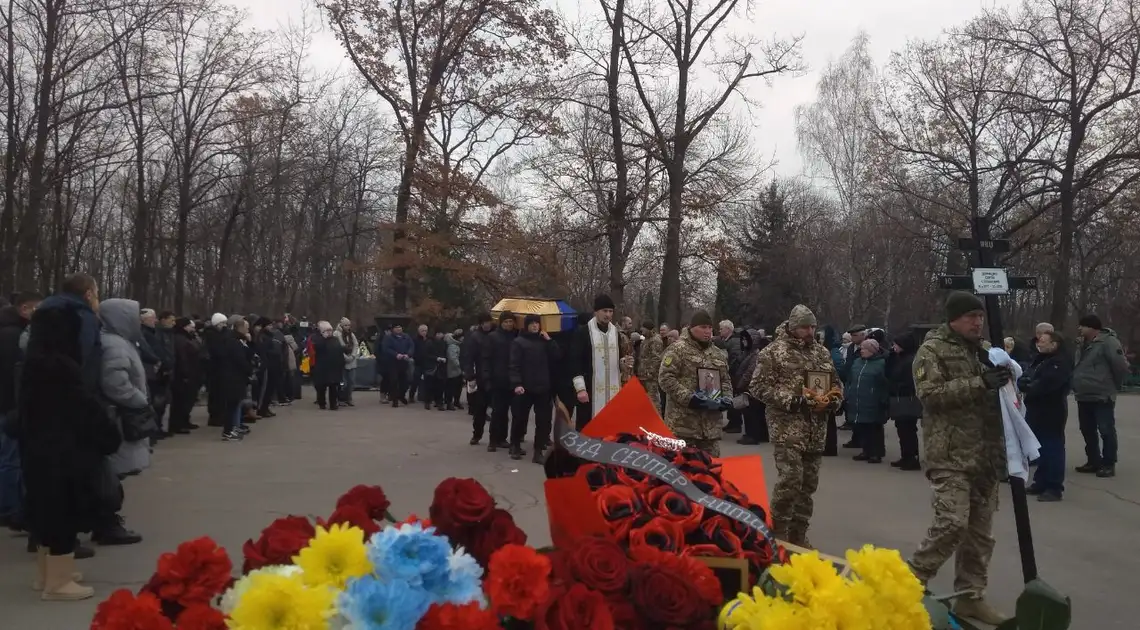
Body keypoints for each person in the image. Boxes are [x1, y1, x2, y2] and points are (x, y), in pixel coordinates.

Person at [909, 291, 1009, 625]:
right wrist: (979, 383)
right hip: (949, 454)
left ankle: (970, 596)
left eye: (979, 317)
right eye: (970, 317)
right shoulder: (931, 351)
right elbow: (930, 395)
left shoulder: (986, 351)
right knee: (952, 523)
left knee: (981, 534)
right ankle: (910, 582)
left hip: (985, 455)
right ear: (953, 319)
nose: (977, 323)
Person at [17, 274, 116, 600]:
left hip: (38, 437)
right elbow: (82, 392)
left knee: (44, 502)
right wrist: (104, 428)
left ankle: (48, 573)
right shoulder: (64, 365)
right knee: (64, 502)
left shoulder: (34, 362)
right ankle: (58, 583)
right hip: (64, 439)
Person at [749, 305, 840, 547]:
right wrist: (793, 401)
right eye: (804, 327)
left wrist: (832, 400)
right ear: (792, 326)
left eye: (812, 326)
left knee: (808, 484)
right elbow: (757, 387)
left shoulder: (821, 353)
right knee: (790, 480)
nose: (809, 331)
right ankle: (778, 534)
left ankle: (798, 535)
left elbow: (835, 384)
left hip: (816, 429)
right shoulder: (773, 352)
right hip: (787, 428)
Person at [659, 311, 732, 456]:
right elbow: (665, 378)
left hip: (710, 429)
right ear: (692, 328)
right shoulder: (677, 349)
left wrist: (727, 398)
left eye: (710, 328)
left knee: (710, 472)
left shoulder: (717, 353)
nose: (708, 331)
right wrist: (689, 398)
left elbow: (725, 380)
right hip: (683, 426)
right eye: (703, 327)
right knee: (682, 471)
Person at [0, 291, 41, 531]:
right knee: (10, 460)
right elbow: (12, 376)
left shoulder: (9, 330)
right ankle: (11, 509)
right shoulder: (12, 335)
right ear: (25, 309)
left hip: (7, 404)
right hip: (8, 405)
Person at [1072, 314, 1129, 478]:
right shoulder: (1081, 344)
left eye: (1082, 326)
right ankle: (1093, 460)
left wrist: (1112, 385)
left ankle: (1109, 463)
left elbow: (1120, 365)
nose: (1079, 329)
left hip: (1102, 394)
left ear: (1092, 327)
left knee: (1106, 429)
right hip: (1083, 394)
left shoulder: (1108, 342)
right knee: (1087, 429)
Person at [1018, 329, 1072, 502]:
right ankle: (1040, 482)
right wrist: (1023, 382)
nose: (1038, 343)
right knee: (1040, 448)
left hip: (1051, 410)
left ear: (1054, 344)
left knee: (1052, 447)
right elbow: (1027, 375)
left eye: (1042, 340)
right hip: (1036, 409)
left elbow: (1048, 384)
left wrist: (1030, 386)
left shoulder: (1060, 362)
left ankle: (1054, 487)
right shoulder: (1040, 359)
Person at [567, 295, 633, 431]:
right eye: (604, 311)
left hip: (612, 390)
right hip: (590, 390)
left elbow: (618, 359)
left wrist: (624, 363)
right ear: (596, 312)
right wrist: (580, 389)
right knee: (587, 428)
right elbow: (574, 362)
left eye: (610, 311)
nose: (608, 315)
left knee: (611, 428)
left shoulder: (615, 332)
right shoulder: (583, 332)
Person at [509, 314, 561, 462]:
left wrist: (550, 340)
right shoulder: (518, 342)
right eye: (531, 324)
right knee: (520, 418)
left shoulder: (544, 341)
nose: (535, 326)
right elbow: (514, 365)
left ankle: (538, 451)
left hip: (543, 386)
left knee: (543, 420)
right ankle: (515, 444)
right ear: (526, 326)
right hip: (524, 387)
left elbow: (557, 356)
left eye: (537, 324)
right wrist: (517, 383)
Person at [846, 338, 889, 464]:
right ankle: (866, 451)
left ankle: (876, 453)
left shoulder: (881, 363)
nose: (861, 351)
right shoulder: (857, 362)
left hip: (873, 400)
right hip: (858, 399)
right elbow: (850, 379)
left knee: (874, 428)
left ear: (872, 351)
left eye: (865, 349)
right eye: (861, 348)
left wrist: (883, 399)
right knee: (862, 427)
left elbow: (885, 383)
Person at [213, 317, 253, 441]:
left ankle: (231, 428)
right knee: (231, 405)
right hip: (232, 377)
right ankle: (227, 431)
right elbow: (239, 359)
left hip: (234, 376)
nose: (247, 331)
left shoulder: (235, 340)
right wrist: (249, 369)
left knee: (234, 404)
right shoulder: (233, 341)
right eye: (246, 328)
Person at [483, 312, 518, 453]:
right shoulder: (492, 337)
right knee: (498, 412)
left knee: (509, 413)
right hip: (498, 379)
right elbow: (486, 359)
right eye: (506, 321)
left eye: (511, 321)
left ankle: (503, 438)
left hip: (513, 380)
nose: (509, 324)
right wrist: (487, 378)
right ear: (501, 322)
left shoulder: (516, 336)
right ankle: (493, 440)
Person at [886, 332, 922, 470]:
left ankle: (912, 457)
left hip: (908, 398)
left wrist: (897, 385)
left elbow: (909, 381)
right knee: (902, 429)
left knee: (908, 430)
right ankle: (906, 456)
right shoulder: (898, 358)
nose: (893, 347)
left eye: (896, 344)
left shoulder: (910, 361)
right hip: (900, 398)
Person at [463, 313, 495, 443]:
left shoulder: (495, 335)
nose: (487, 325)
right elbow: (469, 357)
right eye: (484, 322)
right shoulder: (475, 337)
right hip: (480, 375)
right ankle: (477, 434)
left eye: (489, 322)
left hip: (495, 375)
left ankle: (496, 437)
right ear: (481, 324)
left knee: (498, 409)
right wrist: (470, 374)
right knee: (480, 409)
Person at [168, 317, 202, 434]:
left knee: (188, 400)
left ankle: (184, 421)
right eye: (190, 326)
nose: (192, 328)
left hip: (191, 371)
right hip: (183, 374)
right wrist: (185, 373)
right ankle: (177, 424)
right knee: (181, 401)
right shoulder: (180, 339)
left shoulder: (187, 337)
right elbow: (182, 358)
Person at [312, 321, 346, 410]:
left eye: (330, 330)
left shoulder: (335, 339)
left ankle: (333, 404)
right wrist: (323, 338)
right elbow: (317, 349)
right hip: (322, 367)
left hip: (334, 367)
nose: (329, 332)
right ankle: (322, 403)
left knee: (333, 387)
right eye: (327, 330)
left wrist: (341, 363)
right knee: (321, 387)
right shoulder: (318, 339)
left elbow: (339, 351)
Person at [381, 324, 414, 407]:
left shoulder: (406, 337)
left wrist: (408, 354)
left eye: (400, 327)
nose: (399, 329)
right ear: (393, 329)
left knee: (405, 382)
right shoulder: (388, 338)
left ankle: (401, 395)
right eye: (396, 328)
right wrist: (395, 354)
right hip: (393, 362)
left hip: (404, 362)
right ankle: (394, 399)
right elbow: (386, 348)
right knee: (394, 381)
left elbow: (411, 346)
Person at [635, 321, 664, 414]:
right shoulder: (645, 340)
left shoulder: (656, 340)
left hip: (650, 377)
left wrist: (651, 373)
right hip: (643, 375)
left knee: (653, 399)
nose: (641, 330)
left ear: (649, 329)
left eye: (643, 328)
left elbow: (656, 358)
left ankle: (657, 420)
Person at [333, 318, 359, 407]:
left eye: (349, 325)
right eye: (345, 325)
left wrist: (353, 356)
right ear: (341, 325)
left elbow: (356, 345)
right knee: (343, 382)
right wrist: (345, 357)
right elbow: (338, 347)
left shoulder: (351, 334)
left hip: (352, 361)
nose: (347, 327)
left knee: (351, 381)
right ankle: (340, 398)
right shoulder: (336, 334)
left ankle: (349, 398)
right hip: (342, 361)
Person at [444, 332, 463, 410]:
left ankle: (456, 401)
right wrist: (460, 365)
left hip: (456, 370)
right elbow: (453, 358)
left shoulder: (456, 345)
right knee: (451, 387)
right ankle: (449, 403)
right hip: (453, 370)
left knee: (458, 387)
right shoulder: (452, 346)